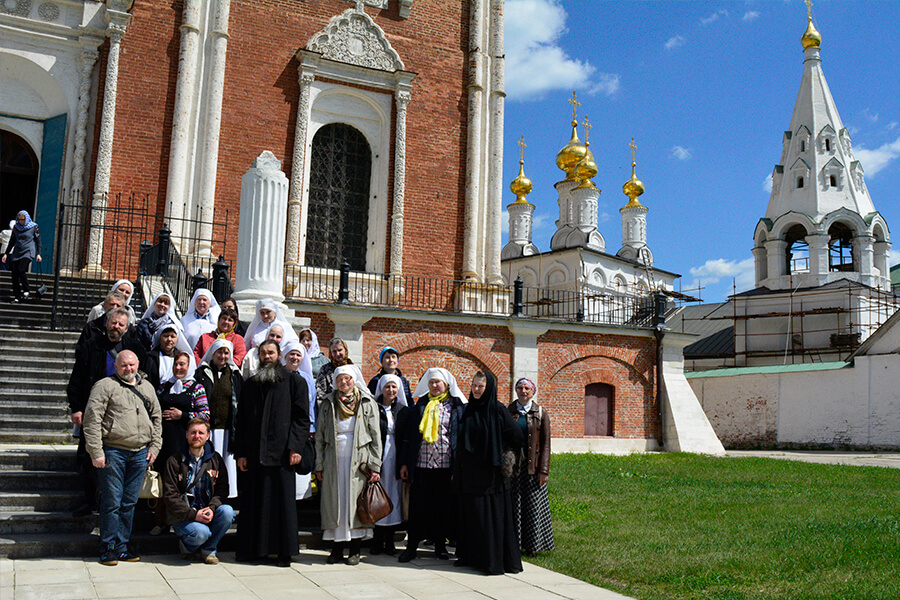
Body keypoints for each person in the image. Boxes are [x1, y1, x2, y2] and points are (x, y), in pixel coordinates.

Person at [68, 308, 155, 517]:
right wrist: (77, 408)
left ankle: (119, 506)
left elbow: (146, 379)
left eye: (121, 325)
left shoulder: (135, 348)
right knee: (89, 457)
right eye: (113, 323)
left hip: (124, 415)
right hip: (94, 411)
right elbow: (77, 378)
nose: (116, 327)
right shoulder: (91, 346)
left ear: (126, 328)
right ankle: (90, 500)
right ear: (107, 322)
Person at [234, 339, 310, 566]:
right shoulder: (250, 384)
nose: (267, 357)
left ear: (279, 355)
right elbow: (243, 421)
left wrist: (296, 447)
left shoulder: (294, 382)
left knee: (281, 506)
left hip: (282, 455)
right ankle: (254, 551)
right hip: (254, 454)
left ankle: (283, 552)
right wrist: (241, 453)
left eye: (271, 353)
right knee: (254, 503)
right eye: (263, 353)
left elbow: (302, 418)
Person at [82, 350, 162, 566]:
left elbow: (157, 418)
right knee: (112, 501)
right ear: (116, 367)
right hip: (113, 451)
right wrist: (96, 451)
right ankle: (107, 546)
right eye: (124, 365)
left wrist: (154, 446)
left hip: (140, 453)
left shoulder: (147, 387)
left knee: (129, 502)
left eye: (132, 365)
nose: (129, 369)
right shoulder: (104, 386)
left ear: (138, 365)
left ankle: (122, 546)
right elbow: (92, 420)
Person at [454, 372, 523, 574]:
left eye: (481, 386)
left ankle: (491, 561)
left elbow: (517, 436)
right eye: (474, 385)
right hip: (469, 474)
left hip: (490, 476)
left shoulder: (498, 410)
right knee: (472, 517)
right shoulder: (469, 410)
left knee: (488, 518)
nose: (476, 389)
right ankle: (469, 556)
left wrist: (499, 450)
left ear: (489, 388)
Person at [398, 367, 467, 562]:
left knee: (442, 508)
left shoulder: (456, 407)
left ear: (446, 384)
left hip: (445, 466)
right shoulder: (421, 406)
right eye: (431, 382)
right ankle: (412, 547)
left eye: (438, 382)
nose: (435, 386)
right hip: (421, 464)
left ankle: (440, 546)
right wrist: (404, 463)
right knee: (418, 507)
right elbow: (409, 437)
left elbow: (459, 438)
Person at [315, 364, 382, 565]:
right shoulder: (328, 403)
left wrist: (375, 465)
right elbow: (320, 436)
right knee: (337, 502)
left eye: (348, 379)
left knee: (355, 503)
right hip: (334, 458)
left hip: (359, 459)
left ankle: (354, 549)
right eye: (340, 379)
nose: (344, 383)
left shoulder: (367, 402)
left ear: (354, 379)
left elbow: (375, 435)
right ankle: (336, 549)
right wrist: (319, 464)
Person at [150, 351, 209, 536]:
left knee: (181, 483)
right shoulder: (163, 387)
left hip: (183, 445)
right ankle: (160, 521)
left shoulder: (197, 388)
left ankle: (182, 522)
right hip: (164, 443)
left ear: (189, 366)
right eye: (176, 364)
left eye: (182, 364)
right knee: (161, 484)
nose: (178, 367)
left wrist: (182, 415)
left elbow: (205, 415)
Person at [162, 418, 235, 564]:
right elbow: (170, 496)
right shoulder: (174, 461)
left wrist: (212, 508)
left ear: (208, 436)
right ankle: (187, 547)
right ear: (186, 435)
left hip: (207, 510)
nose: (197, 436)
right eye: (193, 432)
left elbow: (222, 490)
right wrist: (193, 514)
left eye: (201, 433)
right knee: (201, 533)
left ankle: (208, 550)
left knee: (227, 512)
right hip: (183, 516)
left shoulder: (216, 459)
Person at [507, 377, 554, 554]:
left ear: (533, 391)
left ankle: (533, 546)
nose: (523, 391)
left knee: (533, 506)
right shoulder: (508, 411)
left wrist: (543, 470)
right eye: (520, 388)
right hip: (513, 468)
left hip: (533, 468)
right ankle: (514, 544)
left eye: (527, 388)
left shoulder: (540, 413)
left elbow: (546, 444)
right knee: (515, 506)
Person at [194, 339, 242, 499]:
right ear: (212, 354)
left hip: (228, 429)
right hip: (208, 429)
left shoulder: (235, 375)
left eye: (226, 352)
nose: (222, 356)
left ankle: (226, 497)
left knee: (226, 465)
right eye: (219, 352)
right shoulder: (202, 373)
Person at [370, 373, 409, 556]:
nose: (391, 390)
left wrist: (403, 463)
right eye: (387, 387)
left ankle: (390, 541)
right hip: (378, 456)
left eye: (394, 387)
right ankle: (377, 540)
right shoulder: (373, 408)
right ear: (381, 389)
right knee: (377, 496)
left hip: (395, 457)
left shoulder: (402, 410)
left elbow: (406, 439)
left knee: (393, 497)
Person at [281, 338, 317, 500]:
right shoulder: (279, 375)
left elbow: (311, 405)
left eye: (298, 355)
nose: (295, 358)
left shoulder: (307, 378)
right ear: (285, 356)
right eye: (291, 354)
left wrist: (312, 428)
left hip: (301, 430)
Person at [2, 210, 40, 303]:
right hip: (17, 252)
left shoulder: (33, 227)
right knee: (14, 274)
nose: (21, 221)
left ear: (26, 219)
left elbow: (38, 241)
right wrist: (6, 253)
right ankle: (17, 296)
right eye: (19, 219)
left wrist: (38, 253)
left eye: (22, 219)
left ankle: (26, 290)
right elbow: (12, 241)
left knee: (21, 269)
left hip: (28, 251)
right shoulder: (16, 227)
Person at [315, 338, 352, 406]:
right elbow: (320, 394)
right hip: (332, 409)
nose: (337, 354)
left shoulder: (352, 368)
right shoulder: (325, 370)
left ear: (345, 350)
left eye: (340, 350)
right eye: (334, 351)